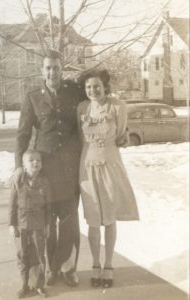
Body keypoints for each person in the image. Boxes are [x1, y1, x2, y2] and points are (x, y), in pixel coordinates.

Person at [14, 49, 81, 287]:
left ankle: (68, 267)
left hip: (71, 169)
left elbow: (97, 95)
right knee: (47, 223)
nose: (53, 71)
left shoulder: (74, 91)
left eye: (56, 67)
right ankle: (50, 267)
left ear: (62, 69)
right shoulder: (33, 97)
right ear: (42, 70)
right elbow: (22, 135)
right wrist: (18, 165)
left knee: (70, 221)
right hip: (44, 170)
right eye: (48, 68)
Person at [77, 69, 139, 288]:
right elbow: (79, 136)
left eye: (96, 86)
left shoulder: (117, 107)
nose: (92, 90)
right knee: (94, 218)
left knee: (109, 216)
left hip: (111, 165)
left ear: (104, 86)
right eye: (88, 87)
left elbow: (122, 135)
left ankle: (109, 264)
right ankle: (95, 264)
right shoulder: (82, 108)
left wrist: (122, 141)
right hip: (87, 167)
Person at [9, 150, 51, 298]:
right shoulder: (18, 181)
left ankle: (39, 285)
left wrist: (47, 225)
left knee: (39, 255)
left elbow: (48, 206)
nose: (35, 162)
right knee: (22, 254)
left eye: (38, 160)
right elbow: (12, 204)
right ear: (24, 166)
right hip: (22, 225)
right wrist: (12, 224)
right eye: (31, 160)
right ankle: (24, 284)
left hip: (39, 225)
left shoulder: (45, 182)